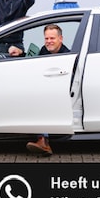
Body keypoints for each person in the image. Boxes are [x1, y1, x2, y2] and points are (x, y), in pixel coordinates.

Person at [26, 24, 71, 156]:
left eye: (52, 38)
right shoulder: (43, 51)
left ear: (61, 39)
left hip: (60, 95)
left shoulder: (66, 55)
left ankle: (43, 141)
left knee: (41, 102)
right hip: (46, 90)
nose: (49, 41)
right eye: (46, 38)